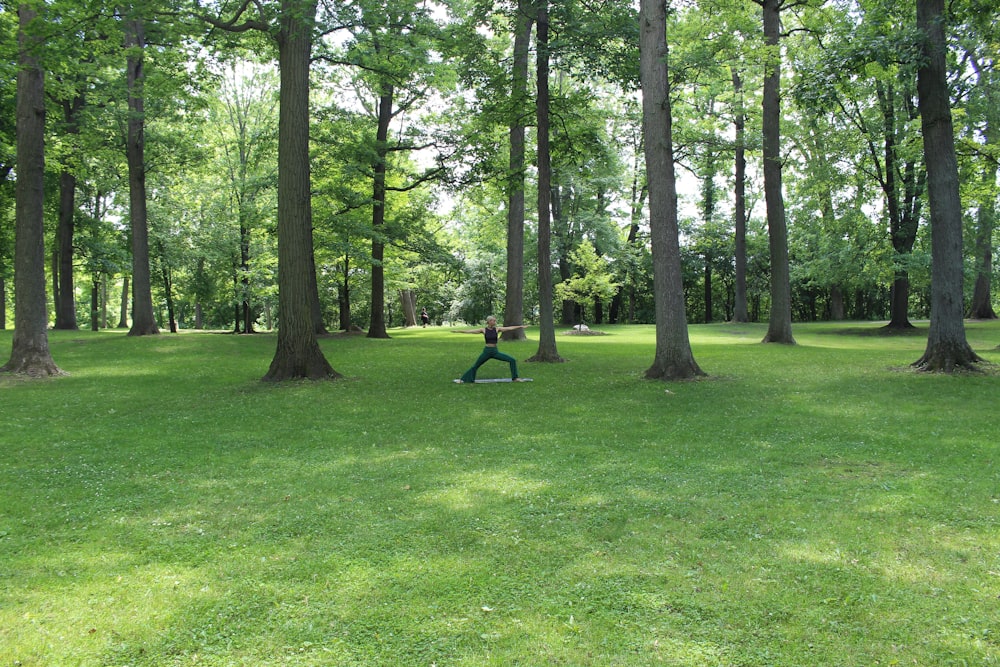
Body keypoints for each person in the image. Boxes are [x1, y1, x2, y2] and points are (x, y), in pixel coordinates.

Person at [453, 316, 528, 383]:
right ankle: (464, 379)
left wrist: (520, 326)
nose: (495, 322)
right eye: (493, 321)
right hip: (487, 351)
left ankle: (515, 378)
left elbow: (509, 328)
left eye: (495, 321)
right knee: (475, 366)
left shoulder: (497, 329)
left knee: (512, 360)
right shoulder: (483, 330)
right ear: (489, 322)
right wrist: (458, 331)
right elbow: (470, 331)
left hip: (495, 351)